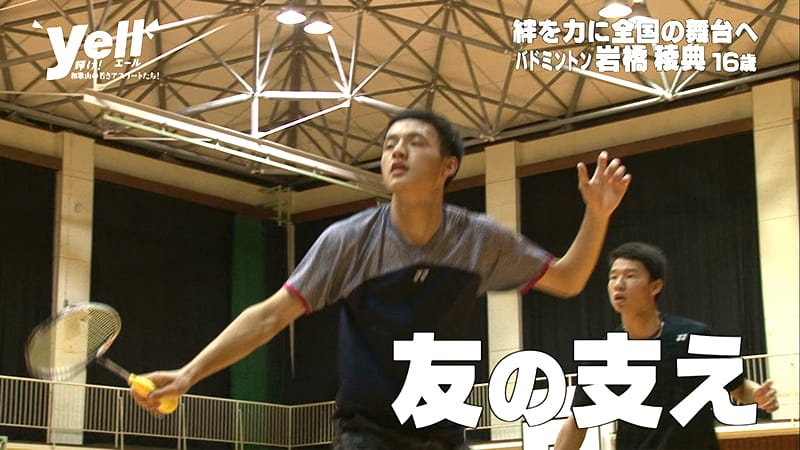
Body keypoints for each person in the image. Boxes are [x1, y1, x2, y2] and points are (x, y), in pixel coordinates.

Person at [132, 109, 632, 449]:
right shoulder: (348, 241)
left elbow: (568, 280)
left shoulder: (480, 239)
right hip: (367, 434)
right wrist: (189, 373)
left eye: (415, 143)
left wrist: (597, 215)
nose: (397, 152)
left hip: (443, 431)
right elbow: (269, 316)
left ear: (448, 166)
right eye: (390, 144)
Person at [555, 241, 780, 450]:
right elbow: (577, 421)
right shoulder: (605, 353)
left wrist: (759, 396)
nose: (618, 284)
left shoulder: (696, 335)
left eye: (630, 276)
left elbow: (739, 389)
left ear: (655, 286)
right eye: (613, 277)